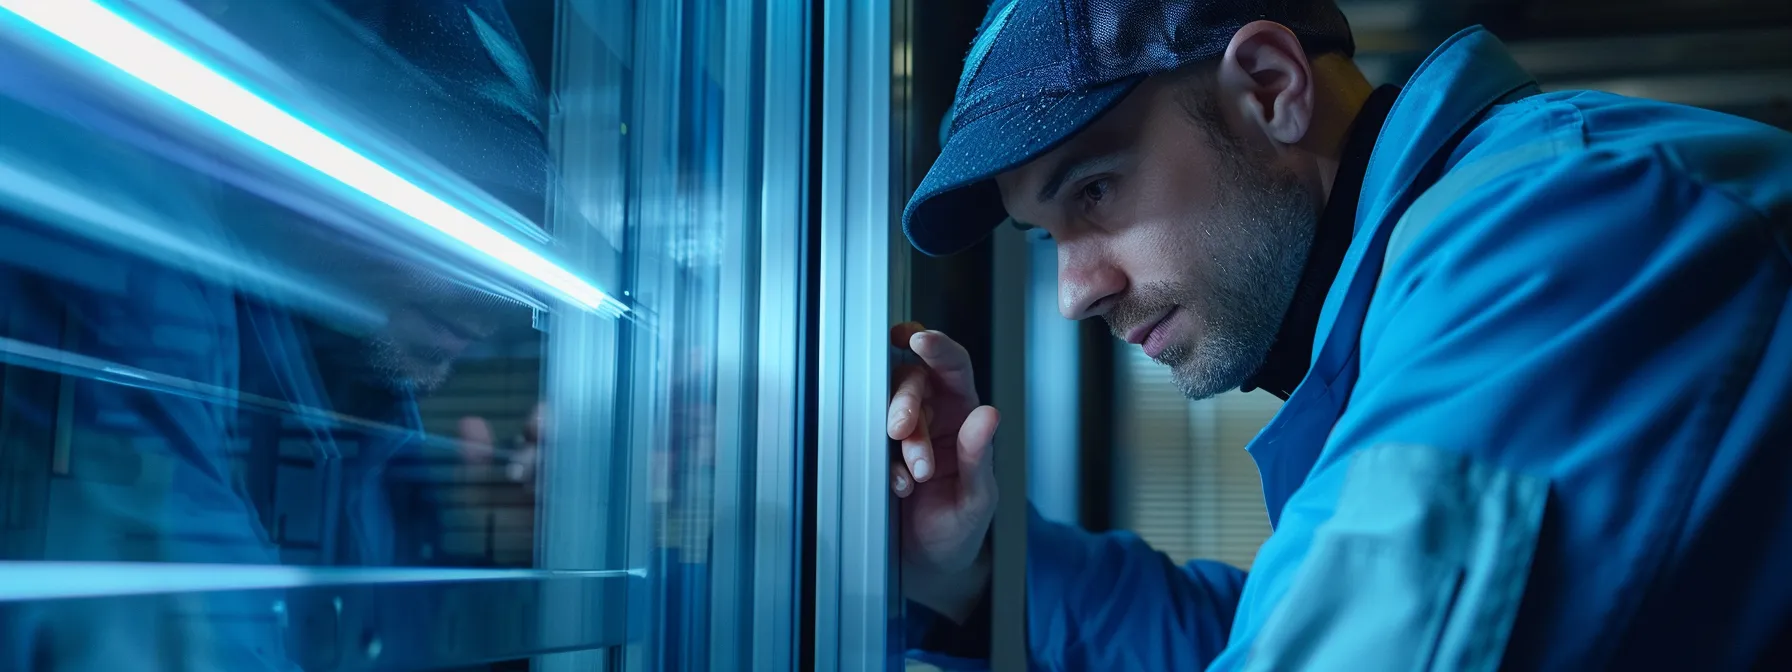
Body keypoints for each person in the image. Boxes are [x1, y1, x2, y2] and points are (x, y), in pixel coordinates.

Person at [887, 0, 1792, 669]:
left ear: (1271, 87)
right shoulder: (1408, 293)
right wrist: (962, 566)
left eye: (1095, 190)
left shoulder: (1564, 226)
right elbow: (1268, 636)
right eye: (1049, 237)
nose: (1074, 295)